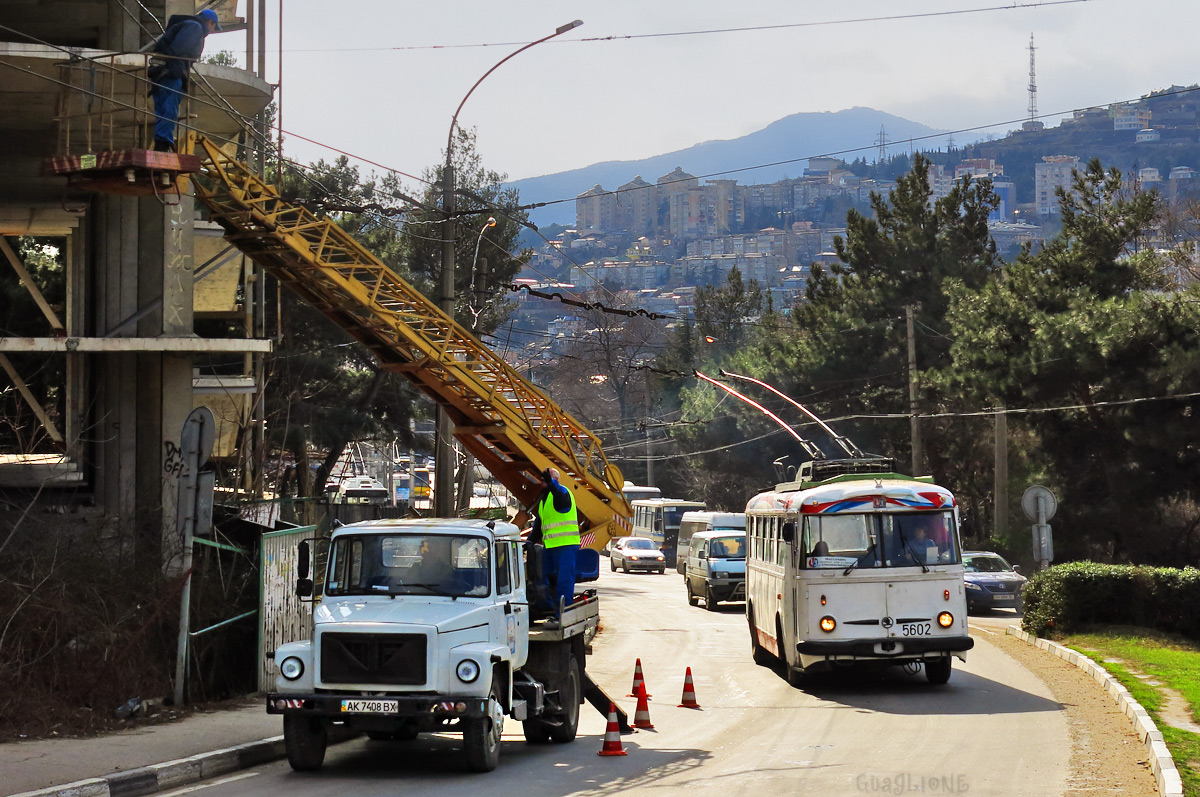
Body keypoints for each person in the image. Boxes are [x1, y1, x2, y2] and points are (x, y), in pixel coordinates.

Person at [148, 9, 221, 152]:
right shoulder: (195, 27)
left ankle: (160, 143)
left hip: (159, 71)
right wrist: (179, 70)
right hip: (170, 73)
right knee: (170, 109)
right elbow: (178, 49)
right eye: (214, 27)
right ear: (210, 22)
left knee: (162, 109)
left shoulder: (186, 24)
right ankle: (163, 143)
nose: (212, 31)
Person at [529, 467, 579, 624]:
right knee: (544, 579)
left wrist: (552, 484)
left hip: (566, 546)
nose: (542, 483)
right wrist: (529, 542)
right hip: (550, 547)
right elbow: (538, 526)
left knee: (564, 581)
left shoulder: (562, 493)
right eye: (543, 480)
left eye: (545, 480)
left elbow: (559, 495)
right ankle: (549, 609)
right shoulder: (545, 500)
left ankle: (563, 615)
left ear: (554, 481)